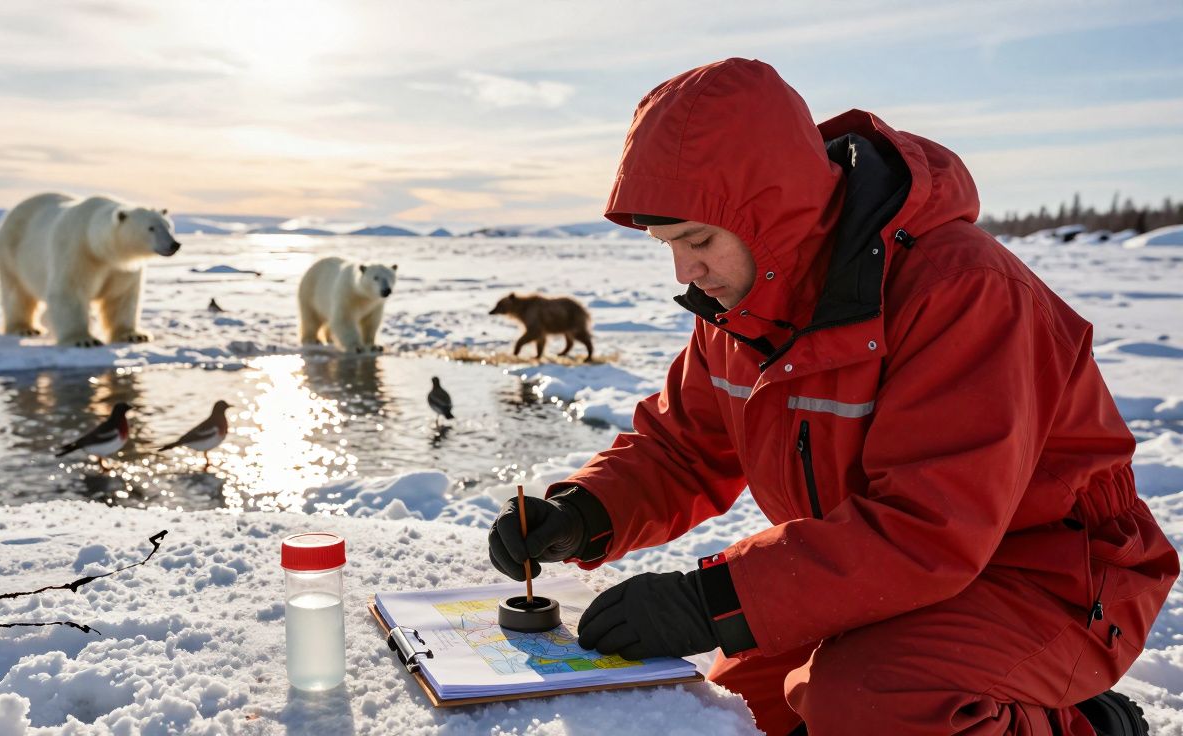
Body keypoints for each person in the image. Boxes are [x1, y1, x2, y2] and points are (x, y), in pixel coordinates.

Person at [487, 58, 1178, 736]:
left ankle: (1087, 725)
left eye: (698, 240)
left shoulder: (962, 290)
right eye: (667, 244)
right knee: (733, 712)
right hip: (879, 573)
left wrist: (710, 601)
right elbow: (683, 448)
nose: (684, 270)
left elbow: (931, 525)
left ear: (773, 213)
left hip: (1050, 575)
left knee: (866, 707)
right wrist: (582, 513)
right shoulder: (738, 310)